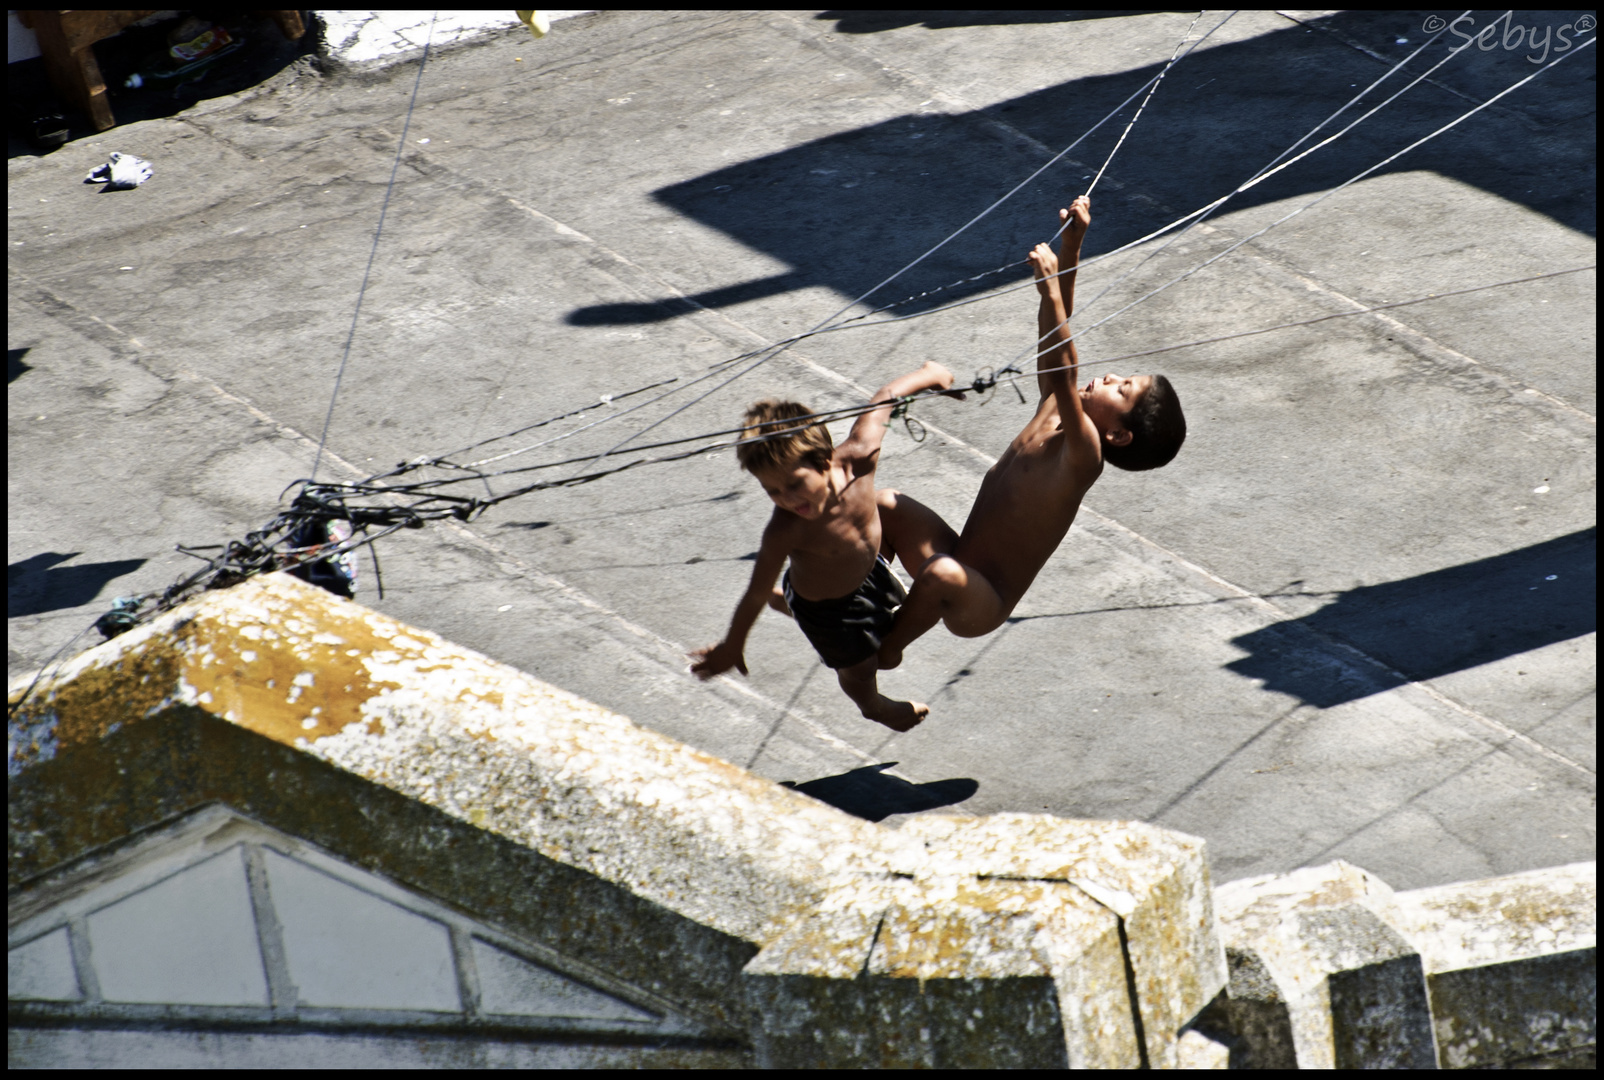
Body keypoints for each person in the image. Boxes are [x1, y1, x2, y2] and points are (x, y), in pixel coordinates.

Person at [877, 196, 1187, 669]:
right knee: (884, 503)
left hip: (980, 602)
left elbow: (1065, 370)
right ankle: (861, 597)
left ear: (1119, 435)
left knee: (940, 573)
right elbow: (1053, 341)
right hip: (958, 553)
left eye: (1121, 389)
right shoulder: (1053, 410)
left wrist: (1051, 292)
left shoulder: (1084, 457)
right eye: (1121, 376)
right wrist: (1074, 245)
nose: (1108, 378)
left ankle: (884, 652)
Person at [691, 361, 961, 731]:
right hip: (830, 613)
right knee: (863, 668)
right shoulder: (784, 531)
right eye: (772, 491)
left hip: (867, 573)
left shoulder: (860, 458)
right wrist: (732, 646)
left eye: (794, 483)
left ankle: (786, 603)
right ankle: (873, 707)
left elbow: (884, 399)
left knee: (890, 516)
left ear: (822, 459)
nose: (786, 499)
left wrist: (932, 376)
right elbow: (753, 593)